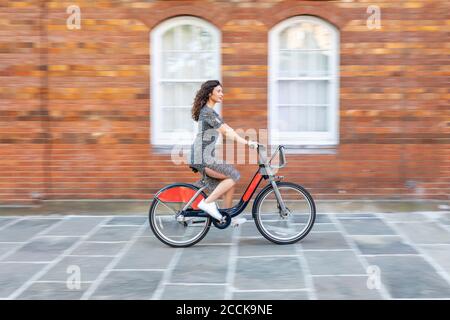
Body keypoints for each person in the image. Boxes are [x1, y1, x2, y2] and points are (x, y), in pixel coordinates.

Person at [188, 80, 258, 226]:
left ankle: (227, 217)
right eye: (218, 91)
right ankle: (206, 203)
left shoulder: (212, 112)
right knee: (233, 175)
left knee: (229, 182)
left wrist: (246, 141)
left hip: (205, 156)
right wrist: (247, 143)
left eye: (222, 91)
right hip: (202, 157)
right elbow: (226, 132)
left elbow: (228, 129)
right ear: (209, 93)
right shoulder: (207, 113)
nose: (222, 94)